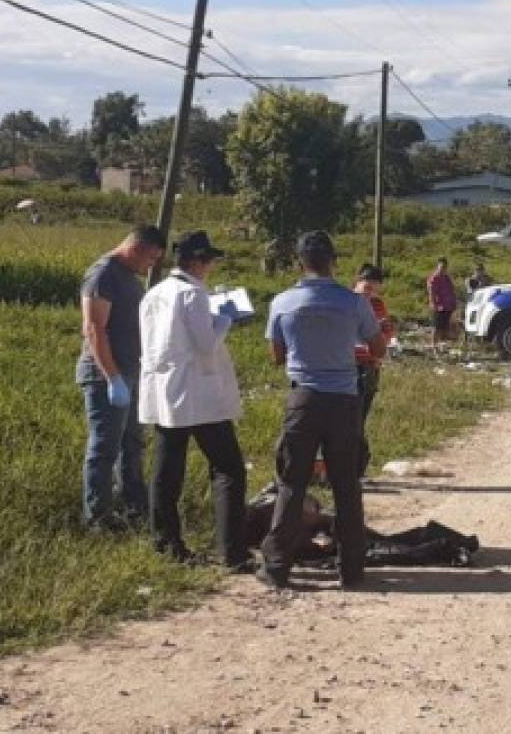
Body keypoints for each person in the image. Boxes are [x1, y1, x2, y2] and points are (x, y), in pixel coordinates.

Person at [258, 231, 387, 590]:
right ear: (334, 261)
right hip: (345, 399)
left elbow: (276, 355)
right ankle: (352, 568)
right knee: (346, 484)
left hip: (303, 399)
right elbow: (377, 348)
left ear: (300, 262)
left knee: (291, 483)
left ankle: (277, 566)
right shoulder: (353, 303)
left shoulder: (283, 302)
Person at [138, 231, 251, 571]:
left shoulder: (153, 294)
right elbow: (206, 343)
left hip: (165, 391)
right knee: (229, 469)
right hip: (199, 396)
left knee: (167, 471)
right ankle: (232, 551)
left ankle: (166, 543)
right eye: (210, 261)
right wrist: (226, 317)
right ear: (197, 262)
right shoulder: (192, 295)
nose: (211, 268)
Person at [76, 224, 166, 532]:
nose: (150, 266)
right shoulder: (104, 274)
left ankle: (134, 507)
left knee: (132, 443)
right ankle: (97, 517)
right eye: (150, 259)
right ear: (135, 249)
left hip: (130, 371)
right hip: (106, 374)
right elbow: (94, 329)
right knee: (104, 447)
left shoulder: (128, 277)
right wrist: (112, 377)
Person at [354, 263, 395, 477]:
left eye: (373, 286)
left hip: (370, 366)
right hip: (347, 367)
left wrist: (379, 351)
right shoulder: (346, 302)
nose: (369, 289)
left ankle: (357, 466)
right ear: (358, 281)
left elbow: (387, 331)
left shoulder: (378, 305)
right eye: (366, 284)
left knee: (360, 417)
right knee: (349, 418)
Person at [427, 257, 457, 351]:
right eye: (441, 266)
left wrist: (453, 303)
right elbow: (431, 292)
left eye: (444, 267)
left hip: (448, 306)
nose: (443, 268)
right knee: (436, 327)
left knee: (445, 327)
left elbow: (451, 290)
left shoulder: (447, 278)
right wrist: (433, 304)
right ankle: (434, 346)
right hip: (438, 306)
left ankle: (440, 345)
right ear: (438, 266)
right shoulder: (434, 278)